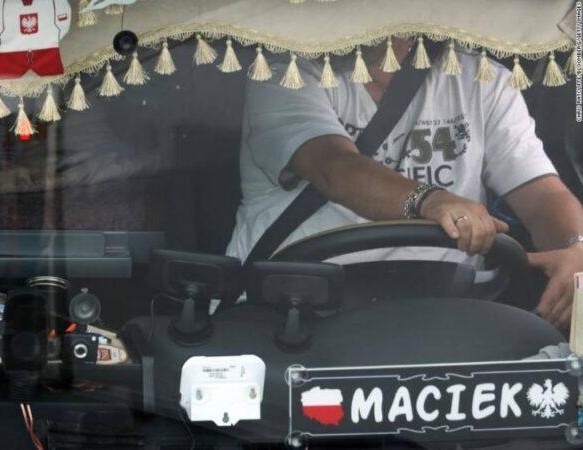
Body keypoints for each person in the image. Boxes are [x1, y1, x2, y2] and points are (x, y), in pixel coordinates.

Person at [226, 38, 583, 328]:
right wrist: (430, 201)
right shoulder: (285, 71)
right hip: (297, 309)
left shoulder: (482, 77)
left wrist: (577, 246)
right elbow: (333, 166)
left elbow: (542, 194)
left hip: (450, 311)